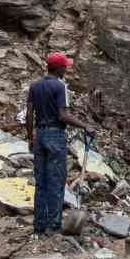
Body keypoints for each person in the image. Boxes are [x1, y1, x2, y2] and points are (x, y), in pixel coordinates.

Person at [25, 51, 94, 236]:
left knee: (41, 182)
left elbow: (29, 114)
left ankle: (39, 226)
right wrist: (85, 126)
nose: (66, 69)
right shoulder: (59, 86)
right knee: (56, 181)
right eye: (65, 67)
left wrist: (30, 138)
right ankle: (53, 226)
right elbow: (62, 115)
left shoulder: (34, 86)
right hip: (55, 135)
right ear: (58, 68)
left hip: (39, 135)